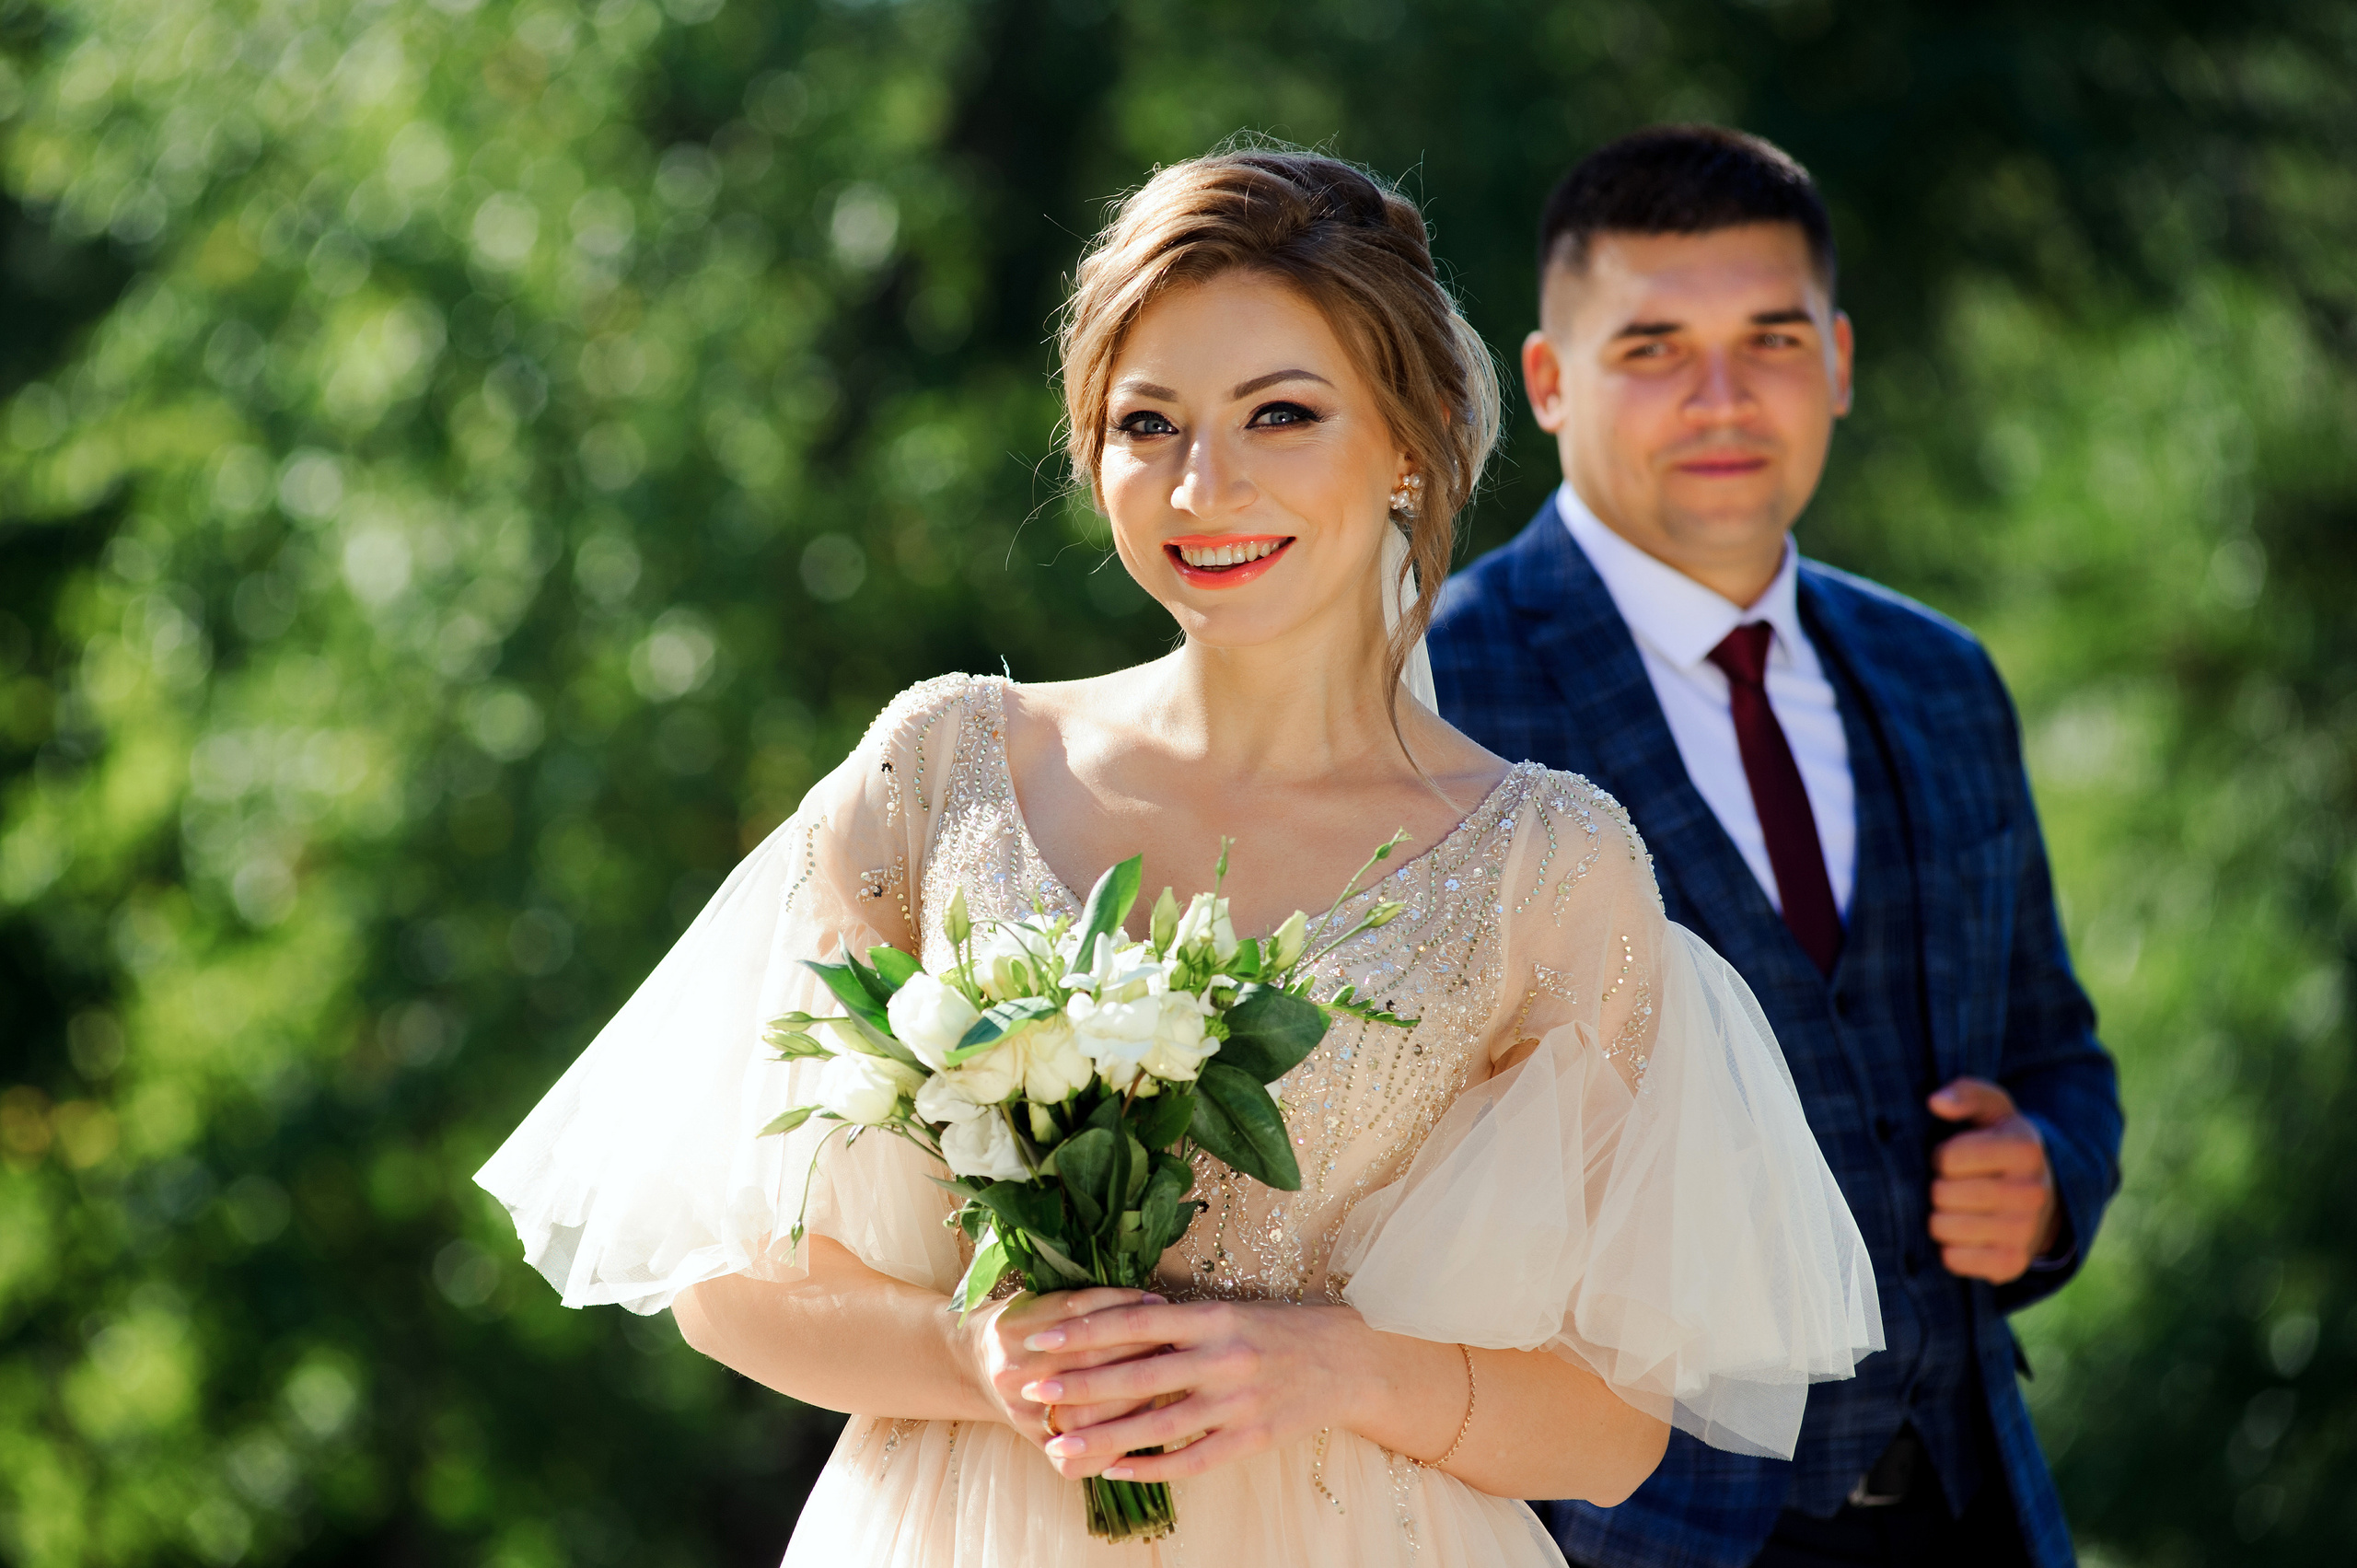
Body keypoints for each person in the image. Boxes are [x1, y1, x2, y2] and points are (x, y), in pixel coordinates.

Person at [478, 147, 1881, 1566]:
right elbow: (731, 1269)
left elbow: (1611, 1420)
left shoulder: (1550, 866)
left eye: (1281, 413)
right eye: (1149, 423)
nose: (1205, 485)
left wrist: (1333, 1368)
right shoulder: (945, 772)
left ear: (1417, 435)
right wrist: (973, 1354)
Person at [1427, 126, 2125, 1568]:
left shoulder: (1943, 678)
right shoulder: (1436, 697)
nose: (1724, 397)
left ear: (1842, 361)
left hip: (1974, 1509)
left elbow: (2059, 1046)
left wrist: (2050, 1170)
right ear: (1549, 382)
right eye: (1655, 348)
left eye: (1771, 338)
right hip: (1616, 1534)